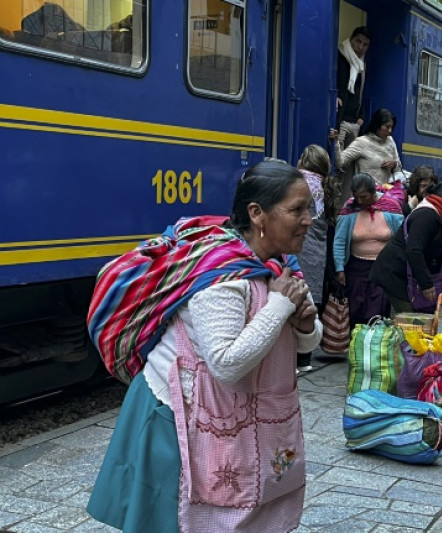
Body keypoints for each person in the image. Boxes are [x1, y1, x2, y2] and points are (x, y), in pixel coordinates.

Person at [87, 161, 323, 532]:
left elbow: (301, 339)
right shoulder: (224, 280)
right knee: (174, 520)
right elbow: (226, 363)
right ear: (257, 214)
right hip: (175, 418)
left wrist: (306, 324)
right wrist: (280, 306)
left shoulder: (278, 268)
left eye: (309, 208)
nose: (309, 219)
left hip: (228, 414)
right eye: (297, 209)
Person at [371, 181, 442, 313]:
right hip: (395, 274)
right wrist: (427, 284)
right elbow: (414, 250)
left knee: (420, 322)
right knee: (413, 322)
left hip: (408, 275)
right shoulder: (427, 216)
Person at [334, 173, 404, 325]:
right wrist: (339, 268)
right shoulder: (350, 209)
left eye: (364, 197)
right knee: (356, 310)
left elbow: (402, 239)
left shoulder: (391, 207)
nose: (360, 201)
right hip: (357, 269)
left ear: (374, 192)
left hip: (383, 269)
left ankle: (376, 343)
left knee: (378, 311)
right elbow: (339, 240)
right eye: (357, 197)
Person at [296, 144, 332, 373]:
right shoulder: (326, 186)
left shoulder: (299, 181)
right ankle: (305, 357)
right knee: (312, 299)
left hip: (299, 245)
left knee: (295, 297)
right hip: (318, 248)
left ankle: (293, 357)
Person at [330, 108, 402, 187]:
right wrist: (336, 142)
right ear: (377, 125)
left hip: (386, 195)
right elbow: (340, 162)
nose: (390, 131)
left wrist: (394, 164)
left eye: (392, 127)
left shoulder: (390, 141)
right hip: (366, 194)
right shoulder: (362, 142)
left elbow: (398, 168)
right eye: (387, 127)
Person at [336, 26, 371, 149]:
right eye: (358, 41)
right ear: (351, 39)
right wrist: (335, 96)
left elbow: (359, 91)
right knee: (338, 160)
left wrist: (361, 116)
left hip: (354, 121)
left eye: (365, 44)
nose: (360, 47)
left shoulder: (361, 65)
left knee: (348, 163)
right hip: (340, 118)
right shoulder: (339, 56)